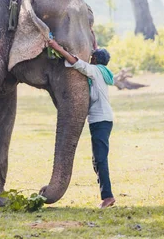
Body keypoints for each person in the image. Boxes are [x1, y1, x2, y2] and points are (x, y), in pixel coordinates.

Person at [47, 39, 116, 209]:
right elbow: (95, 54)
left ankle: (108, 197)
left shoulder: (95, 71)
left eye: (92, 57)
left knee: (100, 159)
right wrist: (93, 41)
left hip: (101, 121)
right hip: (103, 120)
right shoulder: (103, 71)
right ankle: (106, 195)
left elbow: (75, 62)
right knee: (97, 159)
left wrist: (56, 47)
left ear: (94, 60)